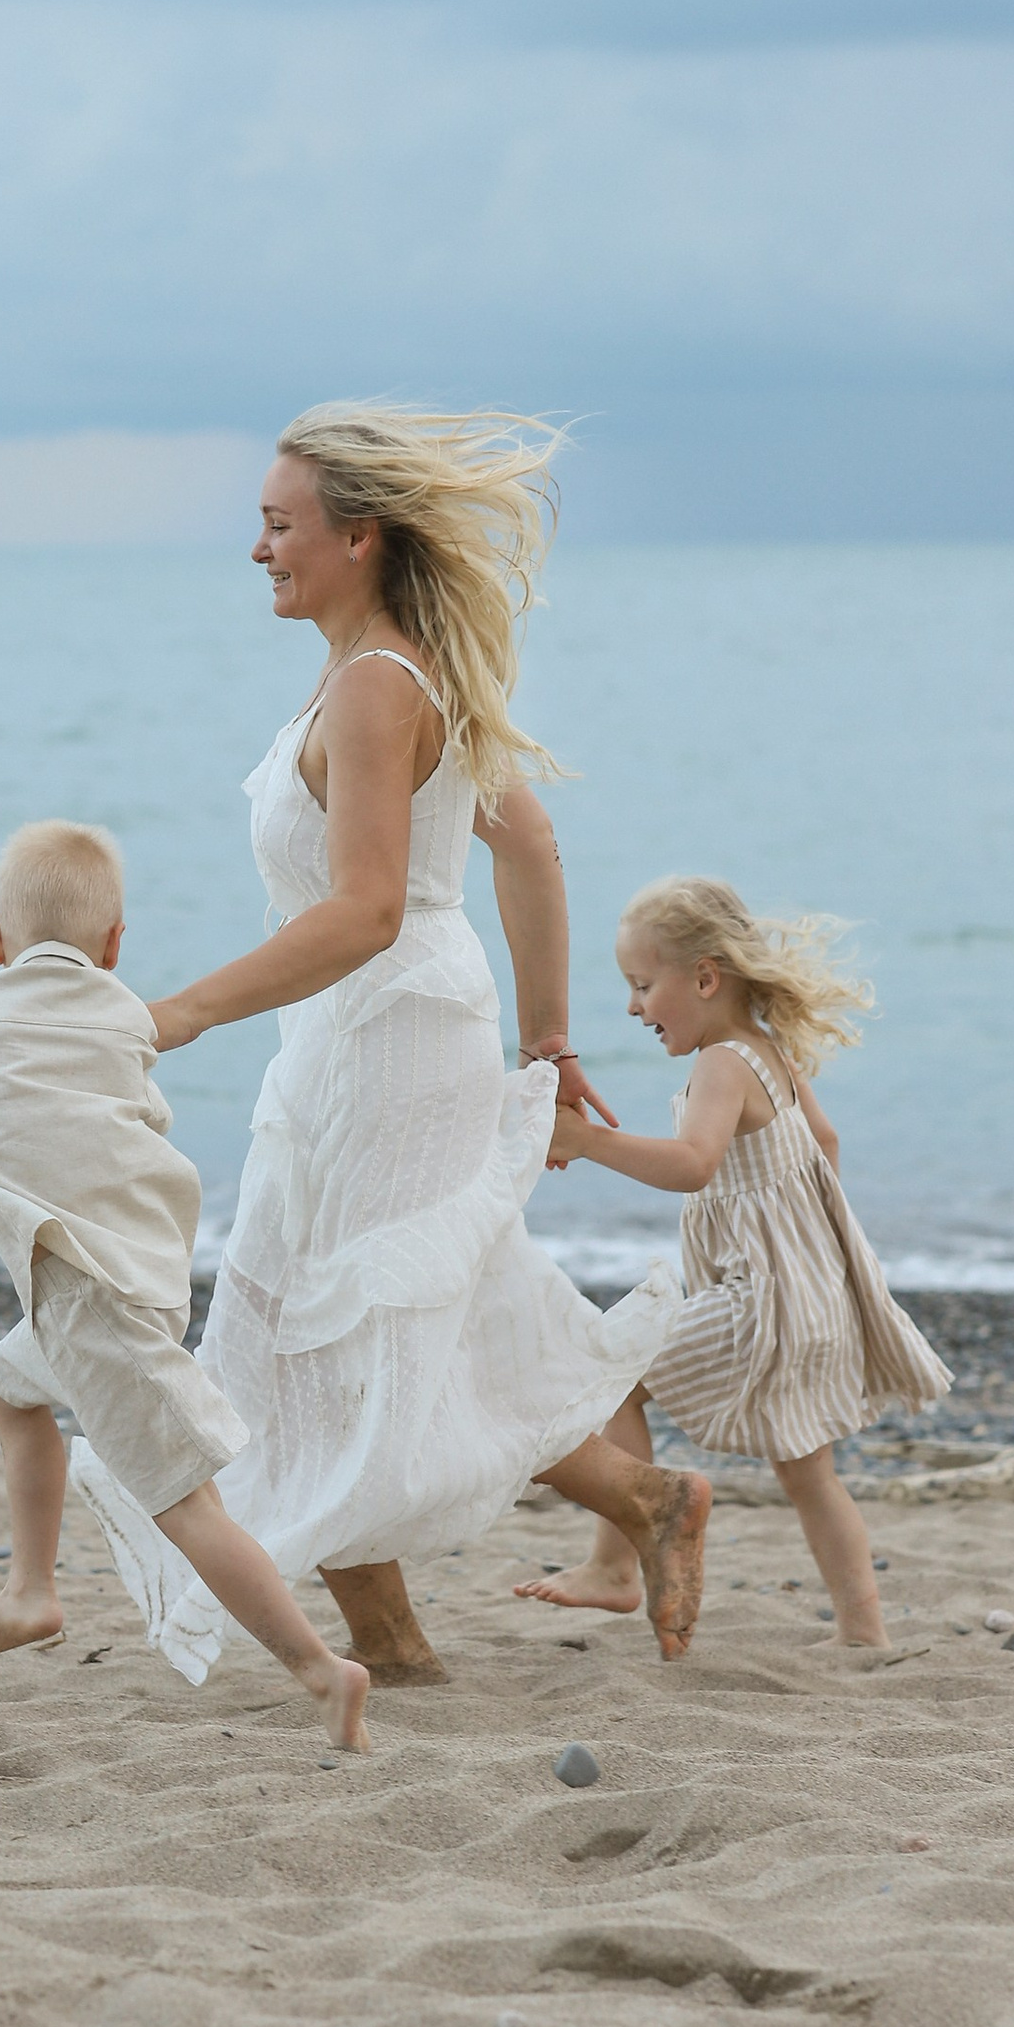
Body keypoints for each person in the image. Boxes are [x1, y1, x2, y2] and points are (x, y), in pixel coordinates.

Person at [145, 408, 706, 1679]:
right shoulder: (408, 676)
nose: (258, 551)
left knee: (323, 1335)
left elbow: (365, 910)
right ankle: (624, 1514)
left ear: (359, 536)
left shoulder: (374, 686)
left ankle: (404, 1643)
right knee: (375, 1324)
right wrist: (552, 1041)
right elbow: (531, 849)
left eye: (279, 527)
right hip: (387, 1026)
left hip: (385, 1030)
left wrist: (179, 1012)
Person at [0, 819, 372, 1752]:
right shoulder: (124, 1016)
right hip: (114, 1281)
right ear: (116, 947)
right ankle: (31, 1592)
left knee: (187, 1508)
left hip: (90, 1300)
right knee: (9, 1392)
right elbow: (141, 1109)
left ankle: (323, 1669)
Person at [531, 875, 951, 1650]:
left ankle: (615, 1568)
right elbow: (824, 1144)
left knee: (612, 1377)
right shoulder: (770, 1052)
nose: (632, 1007)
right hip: (805, 1295)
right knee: (811, 1478)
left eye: (641, 985)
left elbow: (693, 1163)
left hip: (758, 1300)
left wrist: (589, 1142)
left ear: (703, 978)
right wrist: (811, 1247)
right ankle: (865, 1636)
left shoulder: (725, 1063)